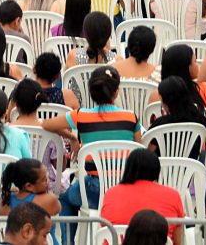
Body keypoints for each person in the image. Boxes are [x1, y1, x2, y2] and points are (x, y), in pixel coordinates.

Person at [44, 66, 141, 222]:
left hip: (93, 189)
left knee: (64, 199)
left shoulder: (81, 115)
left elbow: (47, 124)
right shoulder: (131, 117)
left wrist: (72, 137)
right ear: (116, 92)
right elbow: (139, 151)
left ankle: (69, 237)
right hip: (126, 188)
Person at [100, 149, 184, 244]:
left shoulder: (111, 194)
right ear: (156, 169)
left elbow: (104, 228)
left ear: (128, 168)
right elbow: (177, 241)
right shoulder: (172, 195)